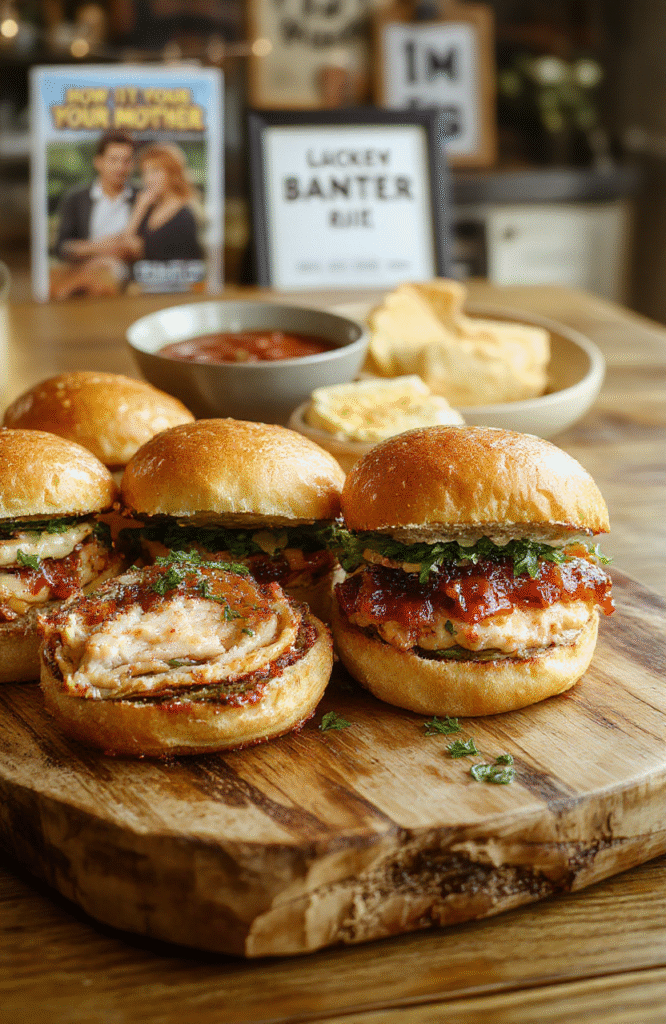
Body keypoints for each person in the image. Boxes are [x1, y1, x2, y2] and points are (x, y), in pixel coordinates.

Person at [54, 128, 138, 264]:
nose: (120, 168)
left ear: (133, 164)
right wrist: (102, 247)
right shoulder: (76, 198)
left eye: (126, 161)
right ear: (98, 162)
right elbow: (62, 248)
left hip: (131, 275)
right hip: (88, 272)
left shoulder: (141, 196)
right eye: (113, 160)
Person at [121, 142, 204, 264]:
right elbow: (125, 247)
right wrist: (140, 208)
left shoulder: (185, 214)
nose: (148, 179)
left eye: (155, 171)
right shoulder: (149, 208)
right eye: (145, 172)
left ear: (172, 173)